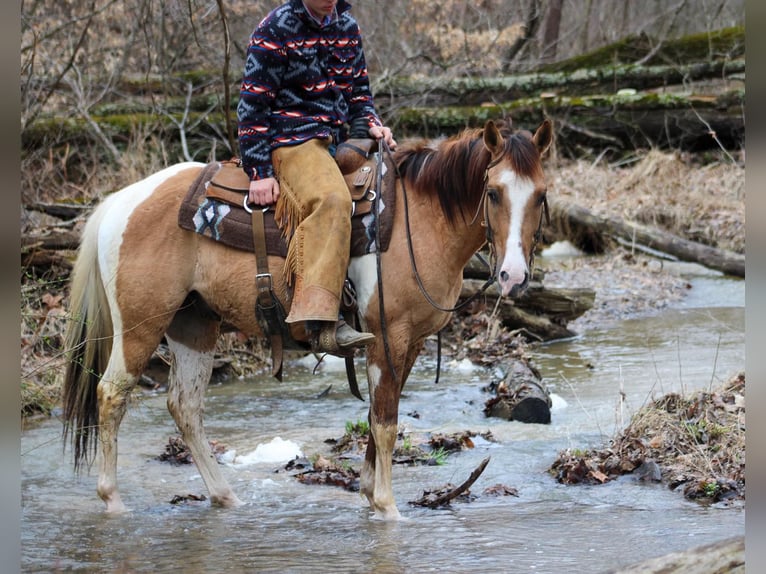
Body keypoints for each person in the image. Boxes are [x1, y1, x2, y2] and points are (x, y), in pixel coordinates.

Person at [237, 0, 396, 355]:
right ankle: (320, 320)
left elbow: (359, 94)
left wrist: (371, 123)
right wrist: (259, 170)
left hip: (339, 138)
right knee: (332, 199)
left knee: (396, 182)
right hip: (291, 140)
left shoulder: (347, 27)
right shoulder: (274, 29)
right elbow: (252, 107)